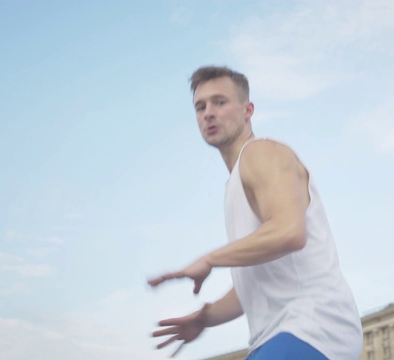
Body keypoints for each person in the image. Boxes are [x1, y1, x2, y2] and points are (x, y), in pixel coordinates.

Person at [148, 66, 362, 359]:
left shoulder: (262, 153)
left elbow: (289, 232)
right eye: (200, 107)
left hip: (312, 328)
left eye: (219, 102)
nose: (208, 113)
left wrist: (211, 259)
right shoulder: (234, 184)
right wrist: (205, 317)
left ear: (248, 110)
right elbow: (254, 286)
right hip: (279, 336)